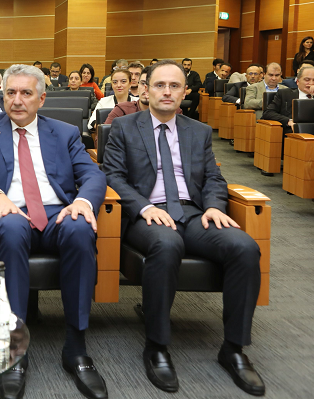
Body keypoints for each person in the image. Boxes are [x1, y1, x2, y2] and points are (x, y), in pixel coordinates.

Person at [103, 60, 265, 396]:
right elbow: (113, 177)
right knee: (167, 244)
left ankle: (233, 348)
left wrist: (214, 208)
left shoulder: (199, 131)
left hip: (192, 214)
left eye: (174, 86)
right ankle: (157, 346)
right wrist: (145, 207)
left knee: (245, 247)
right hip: (146, 215)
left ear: (184, 92)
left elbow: (213, 179)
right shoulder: (125, 127)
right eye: (159, 85)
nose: (166, 92)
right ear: (145, 90)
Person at [0, 64, 108, 399]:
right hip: (11, 210)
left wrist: (83, 202)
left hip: (58, 211)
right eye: (10, 92)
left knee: (81, 228)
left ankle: (76, 346)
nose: (17, 100)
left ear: (41, 99)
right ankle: (15, 349)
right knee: (11, 230)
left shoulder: (65, 131)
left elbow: (92, 174)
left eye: (26, 93)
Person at [104, 67, 183, 125]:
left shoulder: (174, 111)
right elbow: (102, 141)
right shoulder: (122, 110)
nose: (146, 88)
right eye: (142, 83)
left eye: (156, 85)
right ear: (138, 86)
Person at [263, 66, 314, 133]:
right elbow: (268, 113)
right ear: (298, 81)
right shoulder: (284, 94)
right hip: (291, 133)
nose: (311, 83)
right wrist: (288, 121)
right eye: (307, 80)